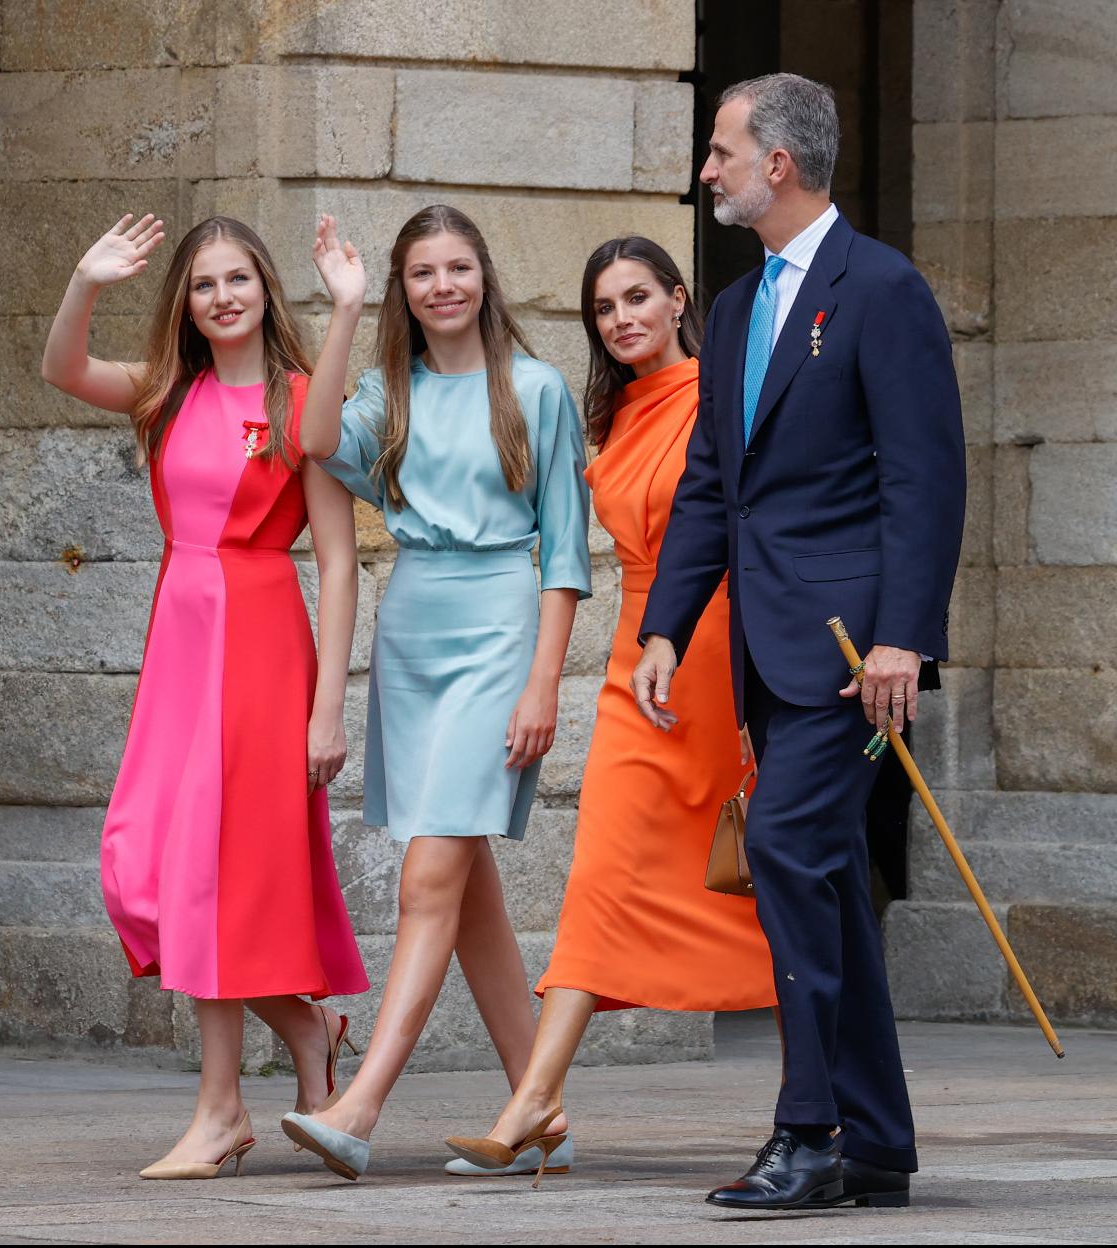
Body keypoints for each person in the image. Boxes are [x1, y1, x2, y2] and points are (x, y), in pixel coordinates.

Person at [633, 73, 965, 1210]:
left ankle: (809, 1131)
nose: (708, 168)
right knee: (818, 875)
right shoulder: (730, 311)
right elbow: (713, 485)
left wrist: (902, 642)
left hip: (851, 655)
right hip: (762, 650)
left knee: (783, 849)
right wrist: (667, 625)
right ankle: (876, 1142)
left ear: (778, 163)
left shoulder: (883, 289)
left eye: (721, 149)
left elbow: (926, 480)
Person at [442, 237, 776, 1186]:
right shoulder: (612, 412)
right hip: (639, 659)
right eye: (604, 307)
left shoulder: (726, 393)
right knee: (602, 868)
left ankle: (823, 1095)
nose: (622, 318)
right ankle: (536, 1099)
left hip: (716, 656)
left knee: (760, 883)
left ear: (679, 301)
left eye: (639, 297)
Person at [41, 213, 368, 1180]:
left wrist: (327, 709)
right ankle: (308, 1033)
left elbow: (340, 566)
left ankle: (221, 1108)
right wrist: (84, 279)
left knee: (213, 877)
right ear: (185, 303)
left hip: (263, 647)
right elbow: (63, 369)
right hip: (180, 647)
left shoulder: (305, 402)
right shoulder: (164, 395)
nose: (222, 297)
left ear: (268, 289)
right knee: (141, 869)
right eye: (202, 284)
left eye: (238, 279)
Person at [281, 206, 591, 1181]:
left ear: (485, 279)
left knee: (427, 877)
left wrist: (543, 681)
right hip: (413, 632)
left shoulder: (536, 390)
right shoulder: (388, 393)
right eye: (423, 272)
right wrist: (343, 307)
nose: (443, 285)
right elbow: (315, 434)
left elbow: (567, 555)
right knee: (468, 896)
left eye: (458, 267)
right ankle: (536, 1107)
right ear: (405, 291)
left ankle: (359, 1106)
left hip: (501, 627)